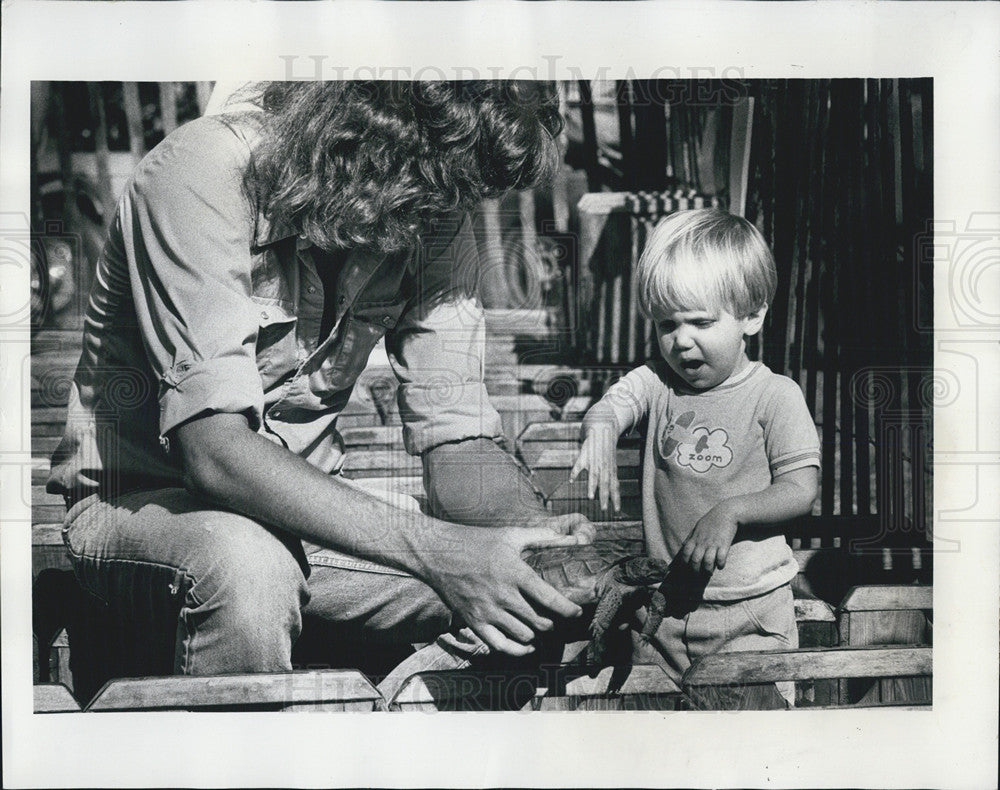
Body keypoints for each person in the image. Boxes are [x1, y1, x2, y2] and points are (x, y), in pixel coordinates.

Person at [47, 81, 594, 685]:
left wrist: (546, 546)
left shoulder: (433, 202)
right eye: (437, 184)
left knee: (542, 590)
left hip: (309, 516)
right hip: (140, 505)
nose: (443, 215)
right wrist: (441, 551)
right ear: (373, 127)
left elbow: (457, 440)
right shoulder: (201, 173)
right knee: (248, 567)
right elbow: (215, 456)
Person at [570, 208, 820, 702]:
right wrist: (599, 425)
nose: (681, 340)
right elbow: (616, 403)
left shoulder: (775, 395)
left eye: (701, 322)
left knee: (752, 736)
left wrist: (732, 512)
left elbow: (801, 490)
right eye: (667, 324)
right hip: (664, 610)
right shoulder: (658, 383)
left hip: (748, 611)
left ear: (752, 315)